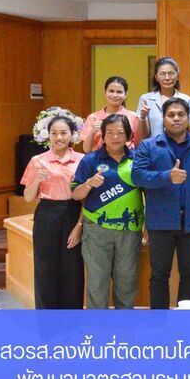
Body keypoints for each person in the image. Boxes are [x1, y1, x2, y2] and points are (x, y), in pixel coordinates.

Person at [132, 98, 190, 309]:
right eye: (171, 115)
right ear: (163, 119)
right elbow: (137, 176)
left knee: (189, 273)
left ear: (188, 117)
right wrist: (166, 177)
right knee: (159, 274)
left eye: (181, 114)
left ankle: (185, 321)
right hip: (160, 222)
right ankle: (159, 322)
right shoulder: (149, 146)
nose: (176, 118)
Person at [72, 114, 143, 309]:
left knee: (127, 280)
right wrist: (89, 183)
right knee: (97, 281)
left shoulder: (138, 159)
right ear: (102, 135)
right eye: (109, 132)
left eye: (120, 132)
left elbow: (149, 192)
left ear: (128, 135)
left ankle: (124, 323)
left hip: (130, 229)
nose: (115, 137)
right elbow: (76, 194)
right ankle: (97, 325)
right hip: (97, 230)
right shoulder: (90, 160)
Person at [21, 115, 84, 308]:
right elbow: (28, 197)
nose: (59, 138)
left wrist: (79, 226)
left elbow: (86, 198)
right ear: (47, 135)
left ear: (72, 134)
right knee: (45, 268)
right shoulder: (38, 160)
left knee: (72, 268)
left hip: (73, 212)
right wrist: (37, 180)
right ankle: (47, 321)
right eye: (54, 133)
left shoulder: (81, 160)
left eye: (64, 133)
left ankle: (71, 321)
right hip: (46, 214)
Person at [136, 57, 190, 141]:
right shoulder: (146, 99)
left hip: (180, 146)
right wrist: (142, 118)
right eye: (162, 74)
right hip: (154, 147)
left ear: (177, 76)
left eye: (171, 73)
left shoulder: (186, 99)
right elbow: (143, 137)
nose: (167, 78)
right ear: (156, 77)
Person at [81, 76, 141, 151]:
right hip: (99, 158)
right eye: (111, 91)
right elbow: (86, 150)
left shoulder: (133, 117)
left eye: (119, 92)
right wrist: (93, 131)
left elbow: (138, 144)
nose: (115, 95)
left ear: (126, 94)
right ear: (105, 92)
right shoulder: (93, 117)